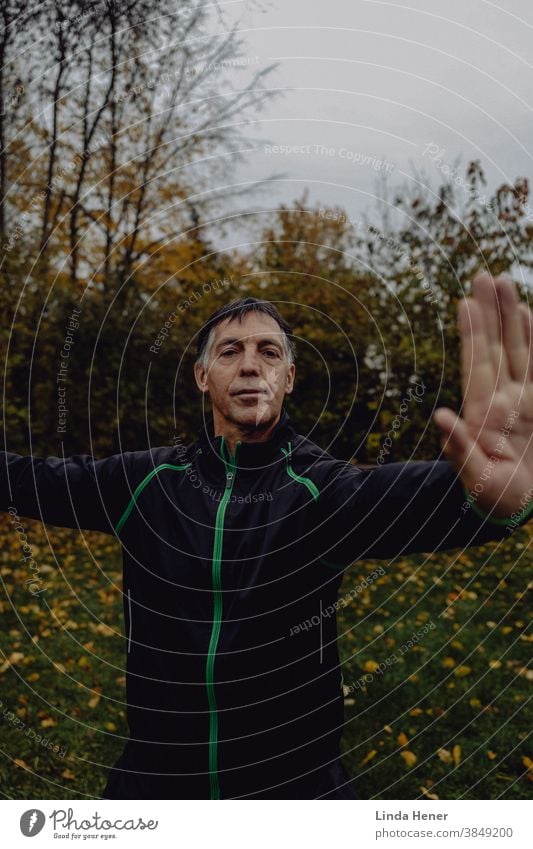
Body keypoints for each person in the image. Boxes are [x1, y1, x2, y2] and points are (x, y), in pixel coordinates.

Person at [1, 272, 532, 799]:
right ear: (202, 376)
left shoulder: (320, 491)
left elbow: (410, 499)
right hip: (157, 784)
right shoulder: (145, 483)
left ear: (291, 378)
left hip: (294, 791)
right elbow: (30, 481)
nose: (251, 363)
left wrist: (494, 489)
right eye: (230, 350)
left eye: (270, 353)